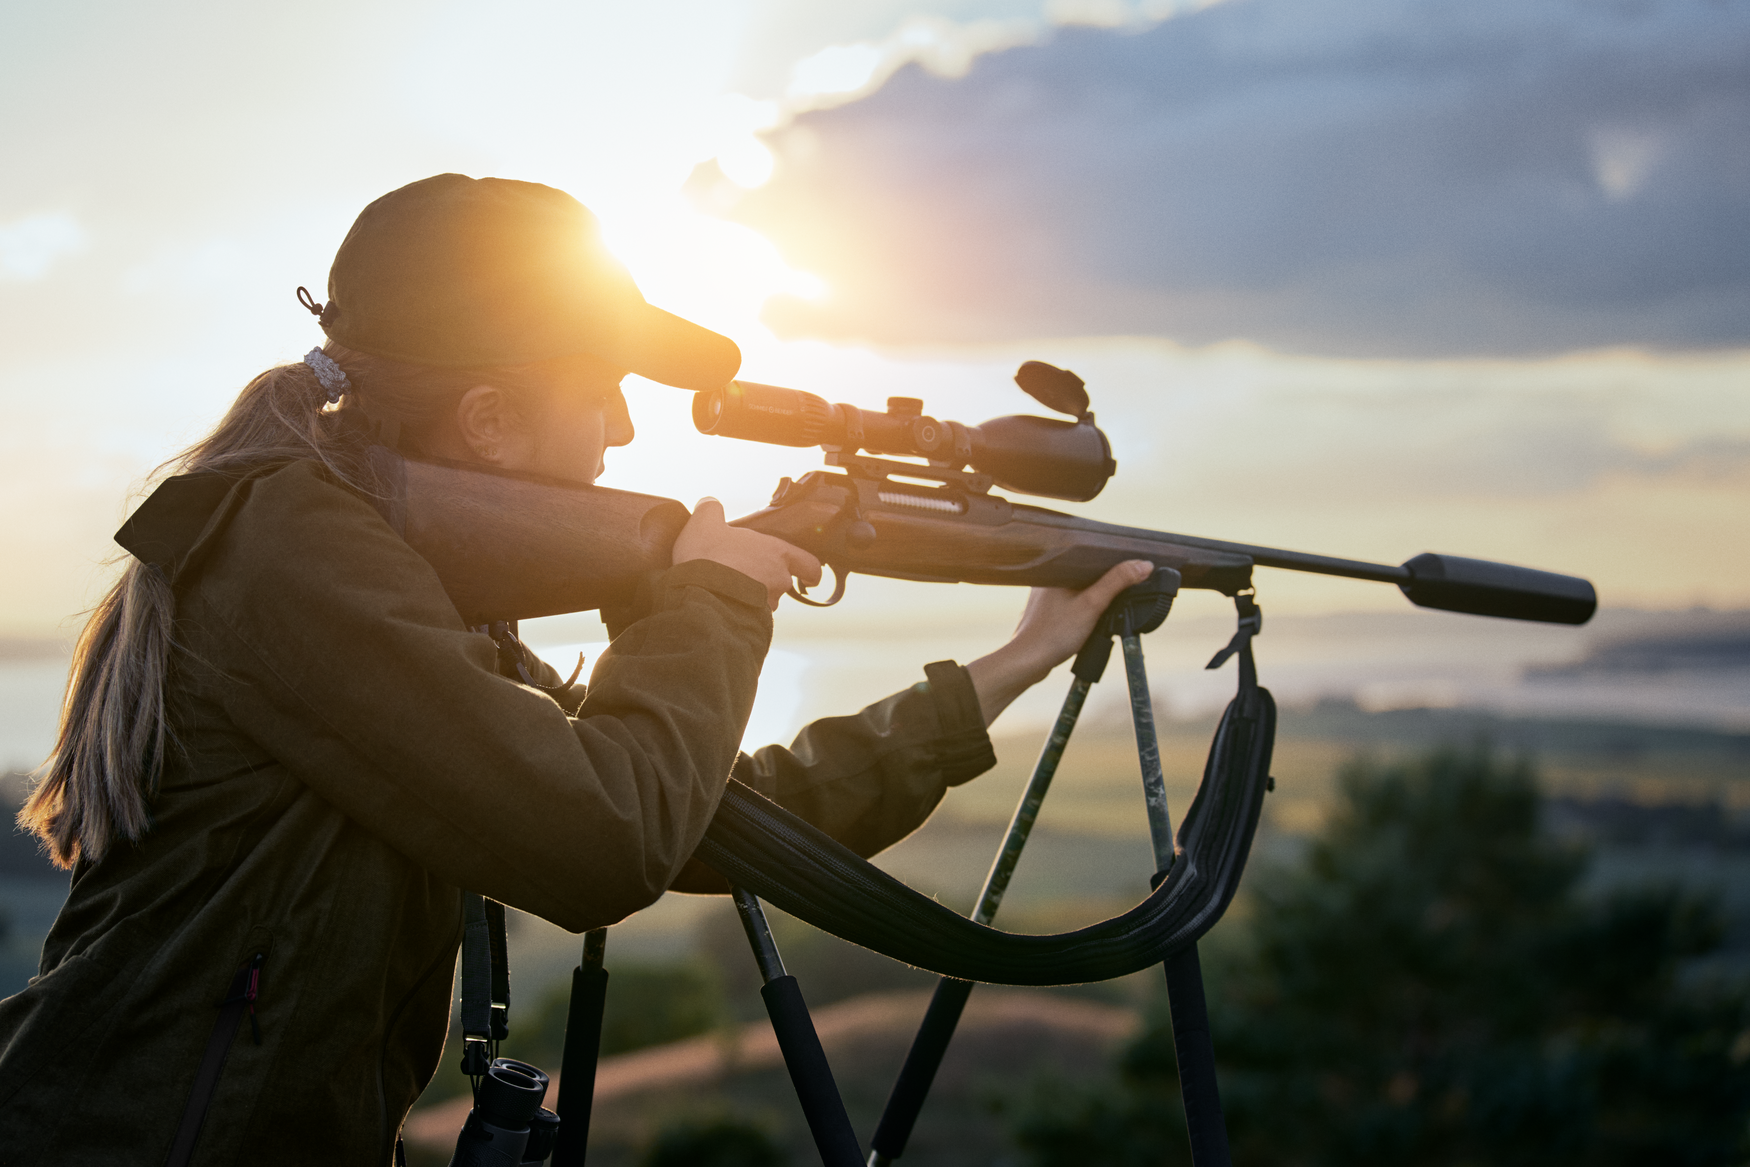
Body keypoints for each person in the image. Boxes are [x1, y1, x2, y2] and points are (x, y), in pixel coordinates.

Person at [0, 174, 1152, 1164]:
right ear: (490, 420)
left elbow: (692, 814)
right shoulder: (290, 550)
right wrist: (710, 594)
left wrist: (1009, 665)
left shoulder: (395, 577)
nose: (622, 432)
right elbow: (600, 842)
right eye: (600, 389)